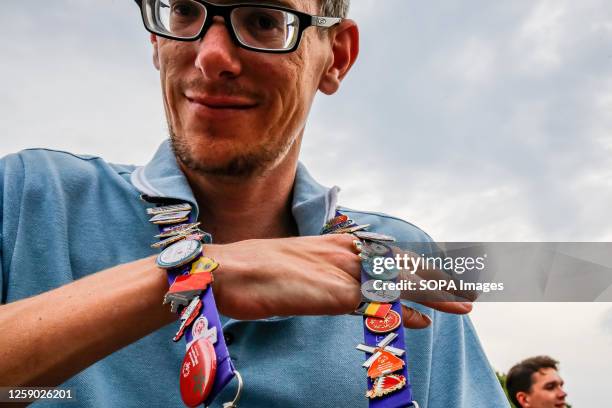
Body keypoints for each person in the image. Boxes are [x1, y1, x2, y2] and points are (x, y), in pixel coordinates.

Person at [0, 0, 509, 406]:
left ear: (336, 56)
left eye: (265, 20)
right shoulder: (31, 196)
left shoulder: (401, 257)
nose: (212, 55)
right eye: (185, 11)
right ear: (156, 39)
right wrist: (198, 276)